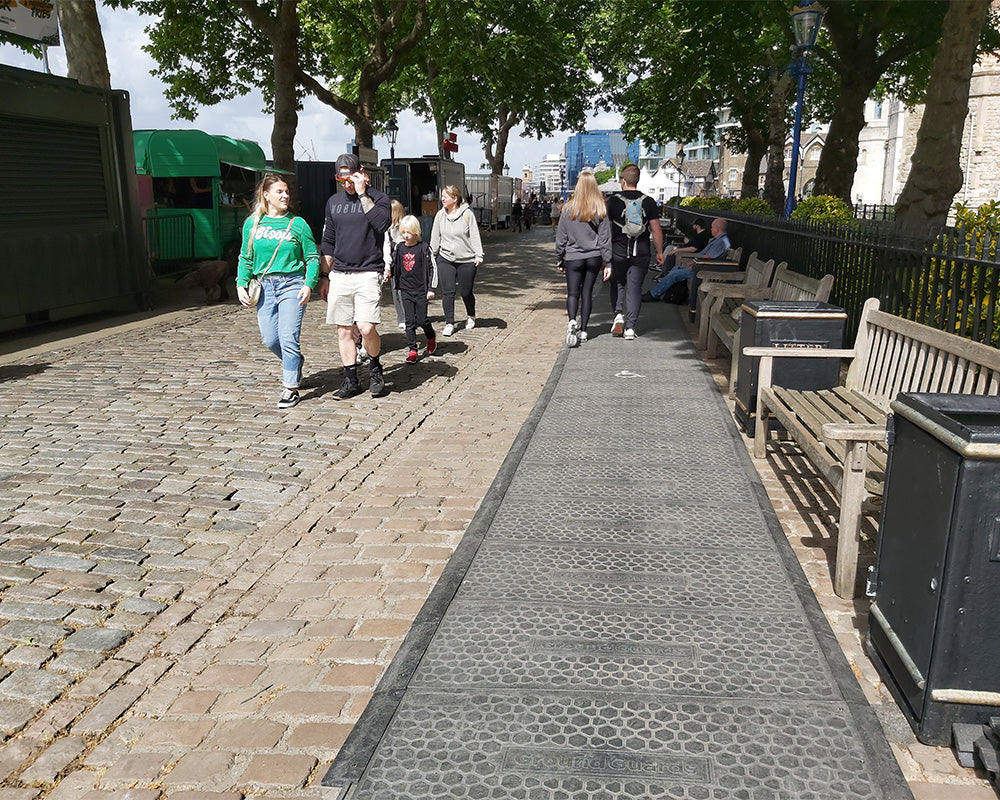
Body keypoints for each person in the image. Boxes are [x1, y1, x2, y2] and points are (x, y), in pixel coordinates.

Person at [236, 173, 320, 409]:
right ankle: (295, 361)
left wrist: (309, 283)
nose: (285, 196)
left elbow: (312, 257)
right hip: (264, 287)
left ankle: (290, 388)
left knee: (288, 336)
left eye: (287, 192)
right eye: (279, 192)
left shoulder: (298, 224)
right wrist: (241, 283)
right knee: (270, 339)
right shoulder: (253, 224)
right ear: (266, 195)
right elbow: (245, 257)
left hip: (292, 285)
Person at [318, 153, 392, 399]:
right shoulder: (333, 202)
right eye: (342, 180)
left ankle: (375, 367)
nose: (347, 184)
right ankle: (351, 380)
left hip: (368, 271)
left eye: (351, 179)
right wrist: (325, 275)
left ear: (361, 174)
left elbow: (382, 224)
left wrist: (362, 195)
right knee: (344, 330)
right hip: (340, 273)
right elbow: (328, 240)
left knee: (366, 328)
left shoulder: (379, 198)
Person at [606, 163, 664, 340]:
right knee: (635, 287)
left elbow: (605, 229)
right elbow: (656, 230)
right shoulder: (648, 201)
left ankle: (618, 314)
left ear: (623, 181)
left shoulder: (613, 201)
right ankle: (630, 328)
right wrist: (660, 252)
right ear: (637, 180)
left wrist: (604, 253)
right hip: (641, 251)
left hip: (618, 250)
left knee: (617, 282)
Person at [555, 172, 611, 347]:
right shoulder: (600, 209)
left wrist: (560, 257)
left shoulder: (567, 209)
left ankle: (572, 320)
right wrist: (608, 261)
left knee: (573, 293)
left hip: (573, 256)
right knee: (587, 293)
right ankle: (584, 330)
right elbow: (605, 238)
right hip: (594, 256)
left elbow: (561, 238)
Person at [430, 184, 484, 336]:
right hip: (445, 258)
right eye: (442, 197)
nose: (442, 199)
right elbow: (435, 238)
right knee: (448, 292)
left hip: (466, 259)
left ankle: (471, 315)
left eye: (445, 197)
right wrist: (431, 256)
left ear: (454, 198)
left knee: (466, 292)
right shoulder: (440, 216)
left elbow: (474, 235)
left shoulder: (467, 215)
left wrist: (479, 254)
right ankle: (449, 323)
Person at [385, 215, 438, 363]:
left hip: (421, 290)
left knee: (422, 319)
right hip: (405, 289)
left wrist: (431, 288)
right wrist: (388, 273)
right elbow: (395, 265)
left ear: (416, 232)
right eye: (403, 232)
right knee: (409, 321)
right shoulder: (399, 248)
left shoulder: (424, 248)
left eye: (408, 232)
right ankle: (412, 349)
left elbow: (432, 268)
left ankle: (430, 335)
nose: (405, 235)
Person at [644, 217, 731, 301]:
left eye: (712, 227)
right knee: (676, 269)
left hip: (703, 270)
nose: (711, 229)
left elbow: (708, 258)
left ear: (717, 229)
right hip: (700, 266)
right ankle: (667, 294)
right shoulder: (718, 240)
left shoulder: (721, 242)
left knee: (675, 274)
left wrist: (694, 261)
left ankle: (653, 294)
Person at [383, 199, 407, 329]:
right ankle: (401, 317)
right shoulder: (387, 230)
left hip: (404, 260)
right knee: (395, 290)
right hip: (393, 261)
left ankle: (408, 315)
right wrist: (387, 266)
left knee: (404, 289)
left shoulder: (405, 227)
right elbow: (386, 247)